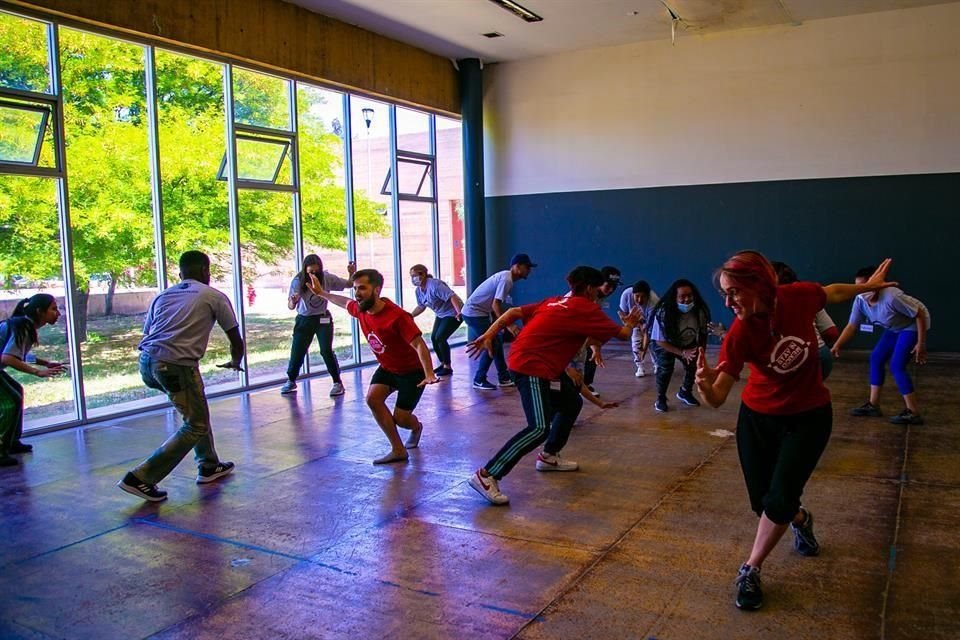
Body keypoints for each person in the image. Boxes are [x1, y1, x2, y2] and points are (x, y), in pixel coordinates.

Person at [695, 251, 896, 611]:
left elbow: (831, 292)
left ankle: (750, 568)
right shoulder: (740, 334)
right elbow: (719, 397)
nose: (727, 303)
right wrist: (705, 388)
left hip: (809, 417)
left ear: (758, 285)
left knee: (779, 498)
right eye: (723, 294)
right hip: (758, 419)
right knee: (764, 502)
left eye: (734, 292)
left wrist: (869, 287)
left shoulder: (796, 296)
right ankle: (801, 519)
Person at [466, 266, 643, 506]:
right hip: (531, 367)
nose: (604, 292)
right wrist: (631, 322)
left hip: (533, 362)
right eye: (601, 287)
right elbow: (623, 334)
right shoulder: (586, 308)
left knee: (571, 402)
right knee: (539, 427)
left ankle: (549, 456)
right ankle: (487, 475)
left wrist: (489, 333)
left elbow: (514, 312)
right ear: (590, 288)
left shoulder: (555, 301)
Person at [118, 251, 245, 502]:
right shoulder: (214, 296)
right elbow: (235, 339)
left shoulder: (163, 296)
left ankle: (209, 465)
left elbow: (149, 332)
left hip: (147, 363)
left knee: (195, 409)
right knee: (195, 423)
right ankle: (141, 477)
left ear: (180, 274)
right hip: (175, 366)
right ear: (206, 272)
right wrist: (235, 361)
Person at [307, 268, 439, 464]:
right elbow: (344, 303)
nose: (357, 293)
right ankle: (398, 450)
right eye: (355, 289)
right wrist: (322, 293)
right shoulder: (361, 310)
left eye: (362, 288)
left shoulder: (398, 316)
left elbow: (419, 344)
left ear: (376, 290)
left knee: (401, 419)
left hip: (412, 372)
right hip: (387, 368)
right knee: (373, 399)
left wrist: (429, 373)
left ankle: (416, 427)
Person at [833, 266, 930, 425]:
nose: (862, 291)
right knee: (876, 358)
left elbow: (919, 314)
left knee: (897, 366)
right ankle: (873, 405)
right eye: (859, 287)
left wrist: (921, 343)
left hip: (912, 325)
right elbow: (852, 326)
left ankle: (913, 412)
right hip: (894, 327)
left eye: (866, 286)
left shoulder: (892, 297)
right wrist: (837, 345)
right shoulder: (860, 299)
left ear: (877, 284)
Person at [0, 294, 65, 466]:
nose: (58, 313)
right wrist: (37, 372)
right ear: (39, 311)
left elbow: (18, 352)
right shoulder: (22, 326)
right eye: (53, 309)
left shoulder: (24, 325)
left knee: (16, 393)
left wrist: (45, 363)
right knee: (10, 402)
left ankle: (12, 442)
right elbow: (7, 358)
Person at [280, 254, 355, 397]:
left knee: (326, 350)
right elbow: (290, 305)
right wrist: (293, 301)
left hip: (322, 318)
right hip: (304, 319)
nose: (314, 275)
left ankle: (337, 382)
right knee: (298, 351)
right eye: (310, 272)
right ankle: (291, 379)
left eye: (316, 271)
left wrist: (351, 272)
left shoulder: (327, 278)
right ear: (305, 270)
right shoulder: (297, 281)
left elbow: (349, 284)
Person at [460, 253, 535, 390]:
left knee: (496, 341)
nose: (529, 270)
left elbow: (496, 306)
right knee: (492, 342)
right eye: (527, 267)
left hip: (479, 313)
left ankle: (504, 377)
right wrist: (509, 325)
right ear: (517, 267)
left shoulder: (506, 278)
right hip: (474, 313)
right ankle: (479, 379)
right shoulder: (507, 279)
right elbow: (496, 305)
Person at [650, 279, 711, 412]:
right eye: (682, 296)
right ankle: (661, 398)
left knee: (693, 365)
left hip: (688, 342)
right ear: (675, 297)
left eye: (689, 295)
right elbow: (660, 341)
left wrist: (701, 352)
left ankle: (685, 392)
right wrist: (682, 352)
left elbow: (703, 333)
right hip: (666, 344)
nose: (687, 299)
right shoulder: (663, 313)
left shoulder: (699, 311)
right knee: (665, 369)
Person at [771, 262, 840, 380]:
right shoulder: (808, 296)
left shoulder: (763, 304)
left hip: (786, 360)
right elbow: (831, 332)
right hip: (820, 355)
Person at [408, 264, 464, 377]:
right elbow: (421, 306)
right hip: (441, 314)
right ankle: (443, 363)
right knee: (434, 338)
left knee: (440, 337)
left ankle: (447, 367)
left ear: (422, 274)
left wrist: (459, 312)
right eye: (411, 276)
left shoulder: (434, 285)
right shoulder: (418, 291)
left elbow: (451, 296)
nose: (413, 279)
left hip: (453, 312)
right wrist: (410, 316)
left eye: (414, 276)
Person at [582, 266, 621, 395]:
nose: (611, 290)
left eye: (614, 287)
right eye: (608, 285)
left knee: (592, 349)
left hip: (581, 330)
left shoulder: (599, 296)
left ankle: (585, 384)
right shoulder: (586, 296)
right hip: (568, 331)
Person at [618, 280, 660, 378]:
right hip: (634, 321)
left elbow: (647, 331)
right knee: (636, 343)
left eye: (643, 297)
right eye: (637, 296)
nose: (640, 300)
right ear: (632, 294)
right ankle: (640, 366)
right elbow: (623, 314)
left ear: (648, 296)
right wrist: (629, 323)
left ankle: (657, 364)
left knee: (653, 343)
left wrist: (643, 349)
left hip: (650, 322)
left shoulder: (654, 301)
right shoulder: (626, 294)